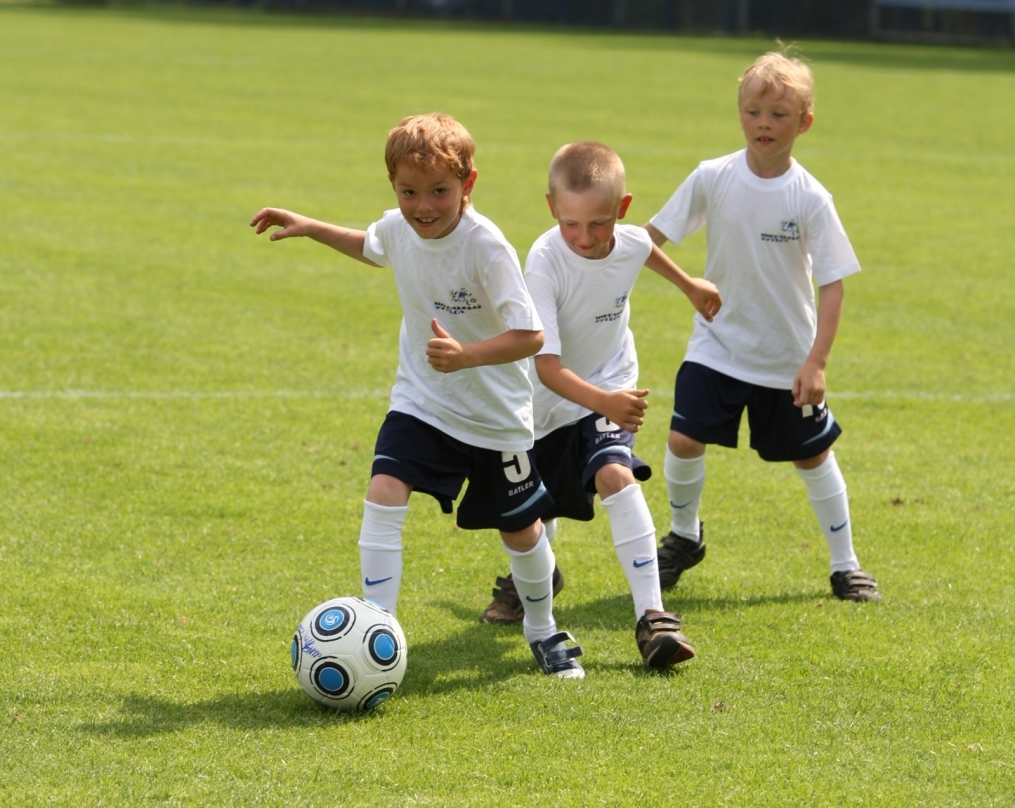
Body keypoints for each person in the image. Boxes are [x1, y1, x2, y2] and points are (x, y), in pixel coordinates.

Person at [251, 113, 585, 678]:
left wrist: (465, 356)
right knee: (385, 489)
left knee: (521, 530)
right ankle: (375, 626)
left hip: (494, 416)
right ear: (393, 187)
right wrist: (311, 226)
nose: (423, 206)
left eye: (439, 192)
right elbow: (373, 244)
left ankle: (543, 629)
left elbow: (530, 335)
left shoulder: (486, 246)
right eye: (408, 192)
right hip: (422, 401)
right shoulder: (400, 226)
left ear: (468, 185)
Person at [645, 50, 881, 602]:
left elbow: (833, 284)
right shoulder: (712, 176)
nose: (763, 124)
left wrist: (816, 362)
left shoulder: (812, 199)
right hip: (717, 346)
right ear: (739, 113)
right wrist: (688, 284)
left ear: (805, 122)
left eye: (778, 114)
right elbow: (646, 240)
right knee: (683, 437)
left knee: (812, 455)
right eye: (753, 111)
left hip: (785, 358)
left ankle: (845, 565)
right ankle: (684, 537)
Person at [480, 141, 723, 669]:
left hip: (608, 384)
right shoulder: (544, 260)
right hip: (545, 402)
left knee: (616, 474)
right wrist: (604, 400)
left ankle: (653, 618)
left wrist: (689, 285)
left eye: (599, 223)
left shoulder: (628, 239)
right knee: (531, 517)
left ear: (623, 208)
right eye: (572, 223)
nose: (586, 238)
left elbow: (641, 248)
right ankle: (537, 580)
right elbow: (546, 366)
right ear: (551, 208)